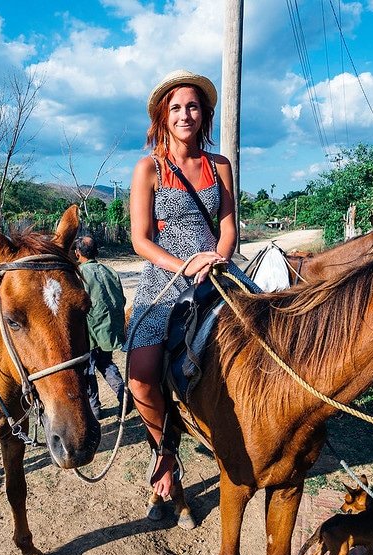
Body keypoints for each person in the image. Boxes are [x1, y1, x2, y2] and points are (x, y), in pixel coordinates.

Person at [123, 70, 249, 502]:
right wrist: (182, 266)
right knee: (140, 377)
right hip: (165, 277)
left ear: (204, 114)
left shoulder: (220, 166)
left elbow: (229, 224)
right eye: (175, 107)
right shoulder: (149, 168)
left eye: (192, 106)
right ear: (163, 115)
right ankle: (164, 451)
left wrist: (218, 257)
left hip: (212, 272)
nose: (184, 114)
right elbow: (140, 239)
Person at [73, 235, 128, 420]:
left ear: (77, 253)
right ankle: (124, 395)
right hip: (108, 331)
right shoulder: (109, 270)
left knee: (88, 369)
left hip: (89, 333)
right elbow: (121, 299)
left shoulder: (78, 275)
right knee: (106, 364)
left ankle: (94, 407)